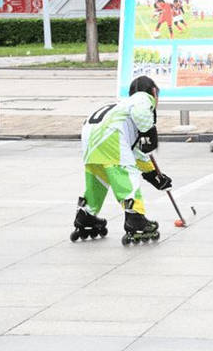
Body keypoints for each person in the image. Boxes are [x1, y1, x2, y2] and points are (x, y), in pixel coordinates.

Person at [70, 75, 173, 245]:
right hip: (110, 138)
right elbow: (141, 116)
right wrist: (148, 133)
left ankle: (85, 215)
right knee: (125, 173)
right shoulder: (142, 99)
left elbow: (137, 153)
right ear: (154, 92)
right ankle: (135, 219)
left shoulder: (122, 108)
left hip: (91, 138)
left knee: (98, 179)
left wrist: (153, 175)